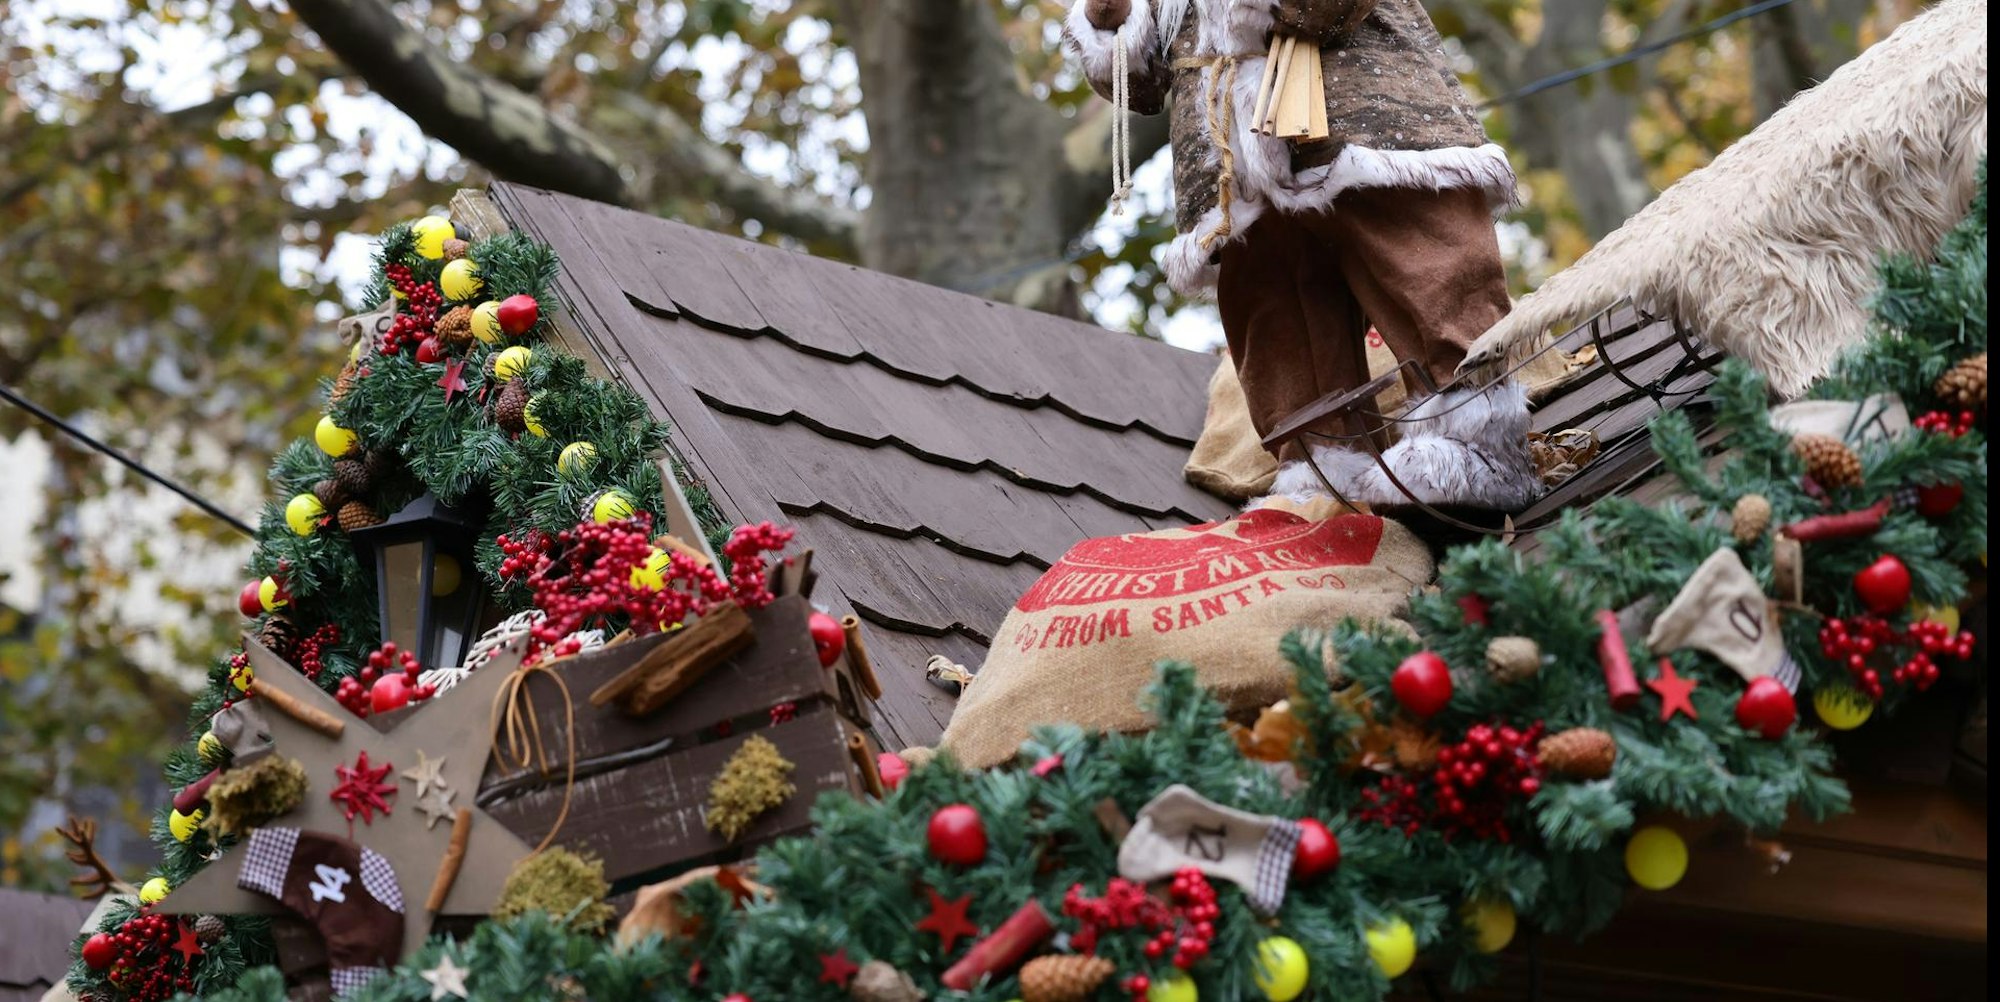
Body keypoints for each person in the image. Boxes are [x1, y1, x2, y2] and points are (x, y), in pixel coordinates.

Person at [1067, 0, 1541, 510]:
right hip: (1235, 169)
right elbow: (1139, 88)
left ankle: (1475, 446)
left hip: (1369, 121)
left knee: (1424, 260)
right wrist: (1110, 21)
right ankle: (1321, 473)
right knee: (1277, 309)